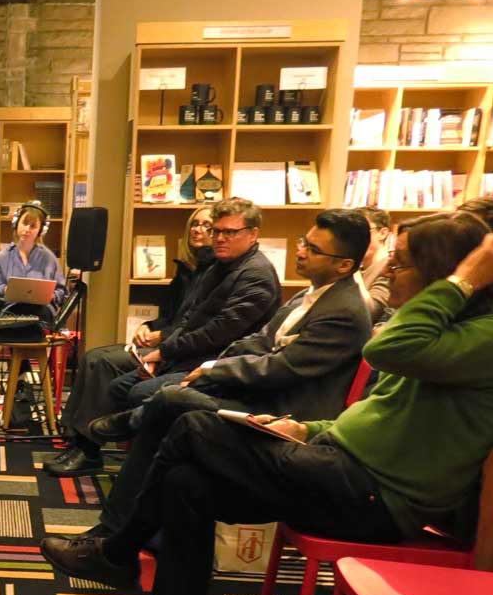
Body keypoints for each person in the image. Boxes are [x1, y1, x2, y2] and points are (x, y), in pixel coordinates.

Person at [40, 212, 493, 595]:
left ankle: (118, 551)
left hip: (376, 499)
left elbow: (382, 351)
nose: (389, 272)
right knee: (184, 483)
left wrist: (462, 279)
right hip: (338, 469)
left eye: (402, 264)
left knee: (190, 425)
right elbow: (377, 413)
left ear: (445, 276)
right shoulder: (442, 333)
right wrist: (307, 427)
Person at [83, 209, 373, 534]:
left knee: (169, 402)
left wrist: (210, 372)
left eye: (314, 249)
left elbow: (279, 368)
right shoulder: (311, 294)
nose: (301, 251)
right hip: (254, 391)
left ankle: (117, 525)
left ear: (344, 265)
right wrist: (214, 367)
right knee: (168, 413)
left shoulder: (344, 312)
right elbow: (257, 341)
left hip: (283, 416)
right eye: (304, 242)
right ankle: (121, 532)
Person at [45, 198, 282, 477]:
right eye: (216, 231)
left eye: (227, 232)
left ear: (253, 233)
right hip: (188, 353)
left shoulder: (255, 276)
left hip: (218, 366)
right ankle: (91, 446)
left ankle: (126, 463)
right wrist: (161, 346)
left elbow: (217, 333)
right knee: (111, 372)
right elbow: (189, 318)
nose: (218, 237)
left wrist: (164, 352)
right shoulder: (218, 266)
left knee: (129, 383)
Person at [0, 201, 66, 372]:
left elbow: (62, 293)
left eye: (33, 225)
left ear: (40, 230)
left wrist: (50, 295)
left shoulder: (49, 258)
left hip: (41, 316)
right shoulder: (2, 257)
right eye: (24, 223)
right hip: (13, 315)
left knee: (20, 318)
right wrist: (5, 290)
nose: (27, 229)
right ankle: (21, 382)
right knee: (18, 318)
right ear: (16, 224)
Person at [132, 205, 216, 351]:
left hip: (187, 349)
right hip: (168, 341)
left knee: (102, 360)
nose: (196, 230)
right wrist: (148, 326)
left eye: (206, 225)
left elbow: (198, 323)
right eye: (194, 224)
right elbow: (169, 316)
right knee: (96, 357)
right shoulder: (186, 271)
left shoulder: (217, 272)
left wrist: (163, 335)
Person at [358, 206, 394, 323]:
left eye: (361, 231)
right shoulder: (360, 270)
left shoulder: (389, 270)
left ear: (382, 233)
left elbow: (369, 312)